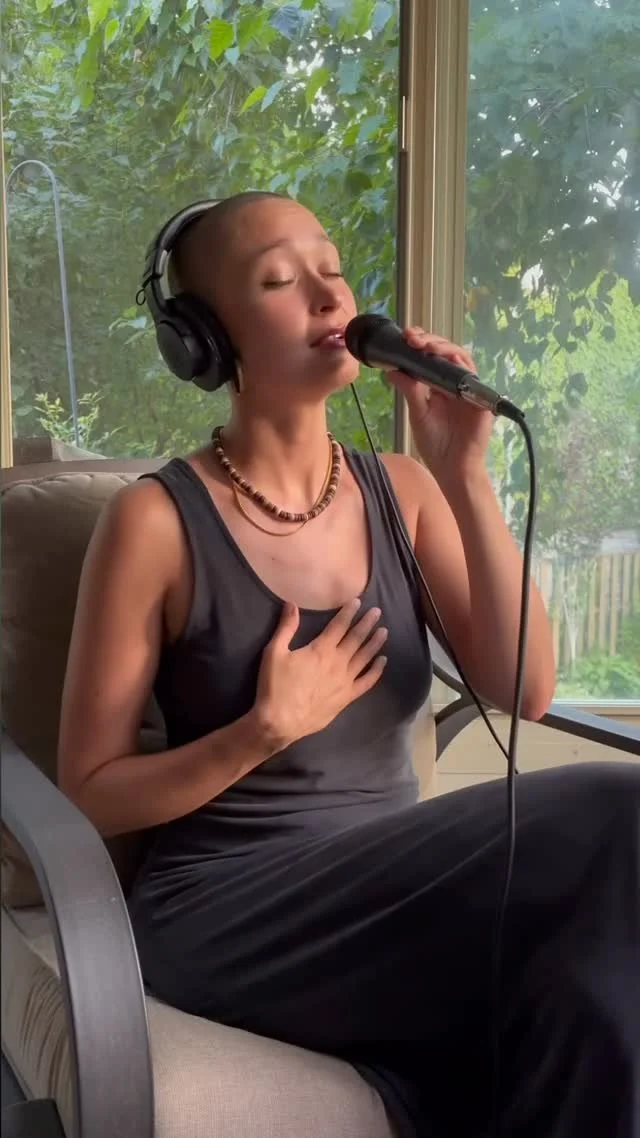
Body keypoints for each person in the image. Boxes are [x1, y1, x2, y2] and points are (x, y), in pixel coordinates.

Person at [58, 191, 639, 1138]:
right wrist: (260, 733)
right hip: (226, 912)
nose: (330, 296)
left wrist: (463, 474)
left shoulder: (404, 490)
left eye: (331, 270)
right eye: (280, 281)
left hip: (393, 896)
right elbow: (89, 792)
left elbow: (523, 687)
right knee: (619, 809)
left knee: (599, 1012)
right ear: (205, 340)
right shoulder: (153, 523)